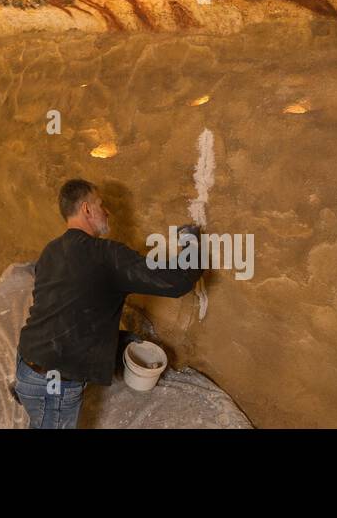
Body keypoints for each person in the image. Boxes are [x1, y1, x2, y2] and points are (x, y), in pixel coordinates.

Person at [14, 178, 203, 428]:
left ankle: (34, 400)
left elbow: (63, 308)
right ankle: (41, 403)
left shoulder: (51, 251)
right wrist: (191, 242)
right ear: (87, 209)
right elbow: (176, 282)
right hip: (55, 383)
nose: (107, 212)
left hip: (26, 364)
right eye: (101, 205)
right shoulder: (108, 255)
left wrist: (117, 340)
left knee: (42, 418)